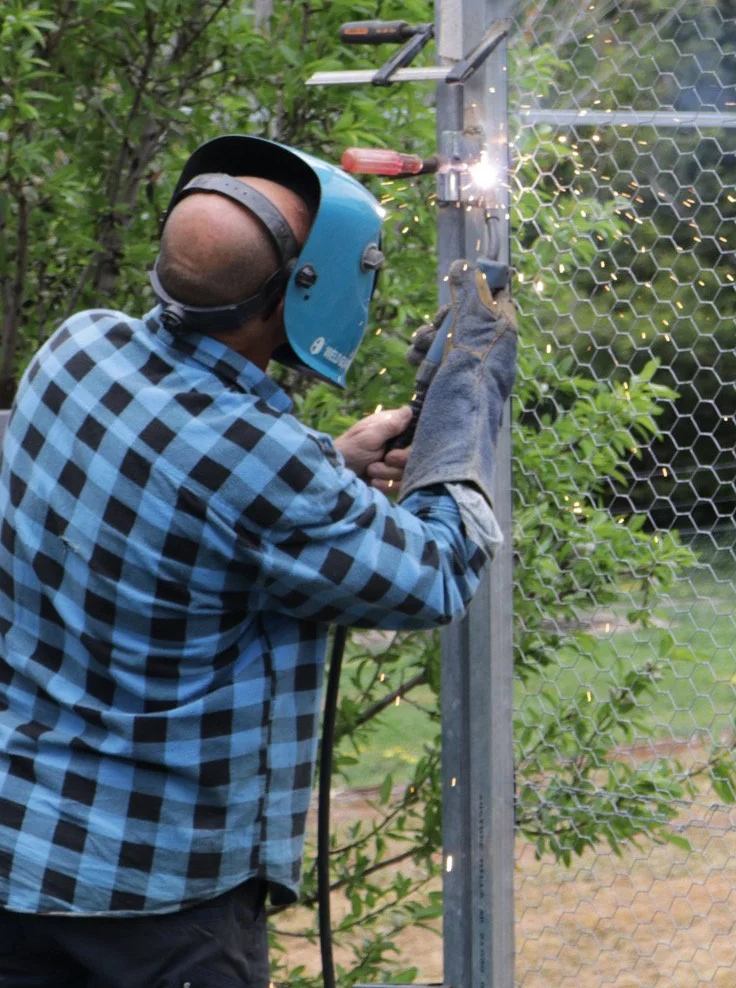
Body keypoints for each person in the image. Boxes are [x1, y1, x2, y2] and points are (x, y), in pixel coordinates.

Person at [0, 135, 515, 988]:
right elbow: (434, 572)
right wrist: (467, 397)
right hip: (158, 907)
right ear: (295, 296)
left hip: (21, 858)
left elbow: (176, 470)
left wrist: (332, 461)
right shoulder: (267, 468)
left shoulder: (76, 350)